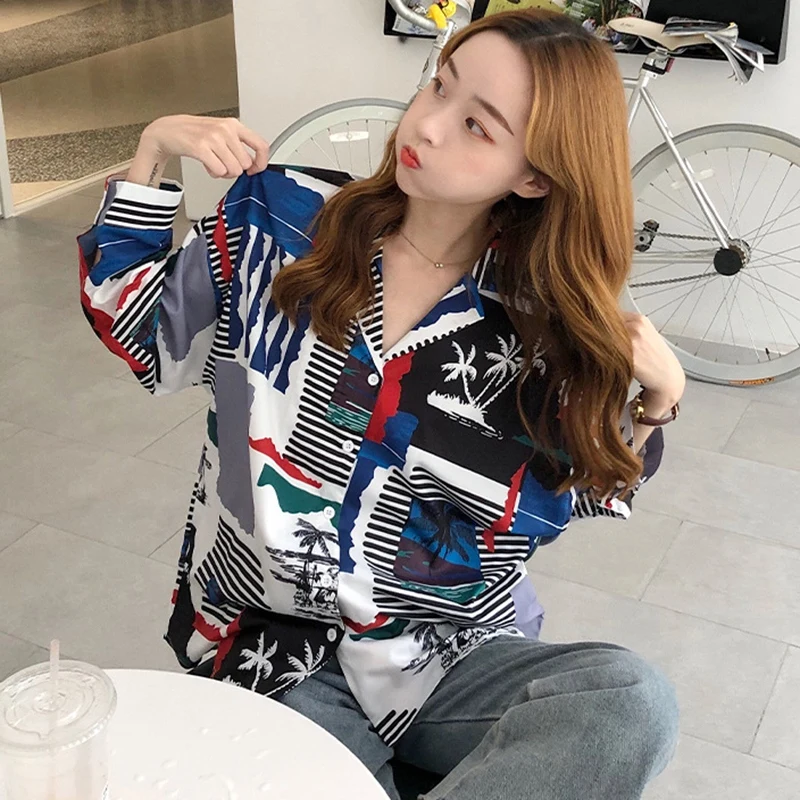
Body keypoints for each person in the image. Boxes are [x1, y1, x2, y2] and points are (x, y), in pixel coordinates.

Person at [78, 9, 684, 800]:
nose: (426, 125)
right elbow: (147, 337)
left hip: (445, 654)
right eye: (439, 86)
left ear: (534, 175)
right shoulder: (280, 221)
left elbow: (579, 495)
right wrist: (153, 150)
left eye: (477, 125)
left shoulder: (543, 325)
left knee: (632, 702)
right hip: (275, 646)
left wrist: (658, 400)